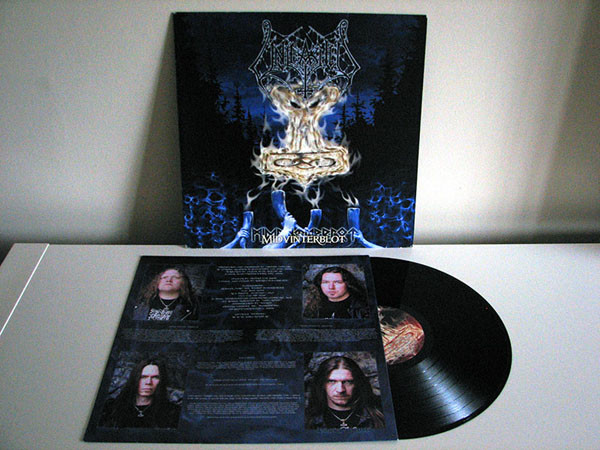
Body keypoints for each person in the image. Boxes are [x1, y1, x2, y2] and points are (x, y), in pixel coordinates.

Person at [305, 356, 385, 429]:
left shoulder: (380, 417)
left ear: (357, 383)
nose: (340, 390)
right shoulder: (306, 420)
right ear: (322, 384)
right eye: (332, 381)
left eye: (348, 382)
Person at [100, 358, 181, 428]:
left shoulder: (173, 412)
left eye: (155, 377)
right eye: (143, 377)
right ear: (135, 378)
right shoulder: (111, 408)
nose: (148, 382)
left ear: (161, 381)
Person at [133, 267, 197, 321]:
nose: (169, 280)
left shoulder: (192, 307)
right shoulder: (141, 304)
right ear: (157, 281)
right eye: (164, 277)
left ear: (183, 282)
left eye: (175, 277)